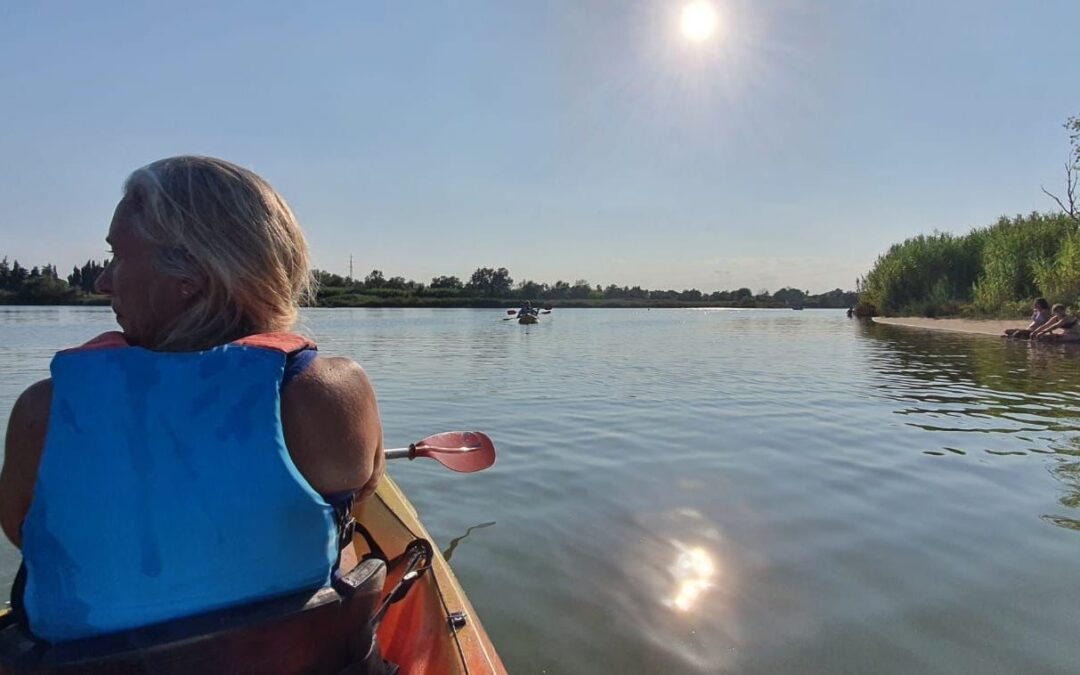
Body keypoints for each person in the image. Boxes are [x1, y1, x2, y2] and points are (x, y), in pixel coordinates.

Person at [0, 156, 385, 642]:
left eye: (118, 256)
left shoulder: (43, 412)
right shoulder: (330, 394)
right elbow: (360, 494)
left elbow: (28, 536)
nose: (101, 282)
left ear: (190, 277)